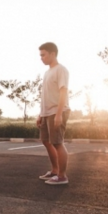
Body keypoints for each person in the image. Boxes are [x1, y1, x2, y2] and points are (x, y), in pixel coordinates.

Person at [36, 42, 70, 185]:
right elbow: (46, 95)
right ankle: (55, 171)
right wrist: (40, 114)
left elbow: (63, 92)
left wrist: (58, 114)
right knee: (46, 141)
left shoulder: (60, 70)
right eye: (40, 55)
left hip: (57, 111)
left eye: (43, 55)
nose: (41, 58)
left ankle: (62, 176)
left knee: (57, 143)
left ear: (52, 54)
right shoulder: (47, 72)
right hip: (46, 113)